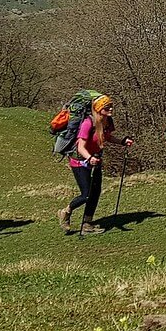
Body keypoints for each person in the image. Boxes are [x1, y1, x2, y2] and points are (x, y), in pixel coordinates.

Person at [59, 95, 135, 236]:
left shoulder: (107, 121)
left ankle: (87, 224)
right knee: (86, 194)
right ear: (99, 109)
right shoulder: (88, 123)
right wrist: (89, 158)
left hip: (96, 160)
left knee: (95, 193)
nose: (111, 109)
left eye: (111, 106)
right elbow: (80, 146)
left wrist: (122, 141)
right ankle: (66, 212)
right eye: (107, 107)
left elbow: (107, 137)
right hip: (79, 162)